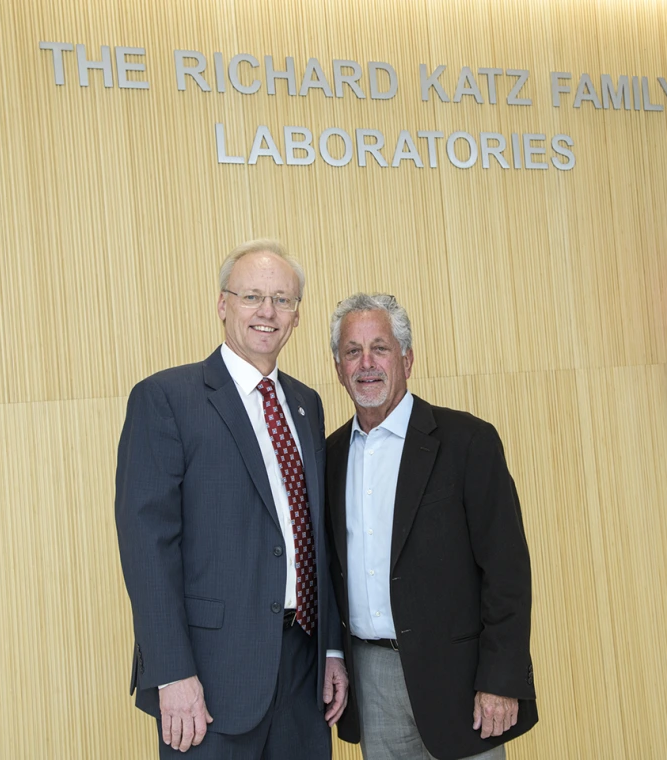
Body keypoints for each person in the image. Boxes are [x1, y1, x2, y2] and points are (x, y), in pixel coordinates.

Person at [115, 240, 348, 759]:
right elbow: (146, 548)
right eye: (252, 296)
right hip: (210, 679)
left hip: (302, 673)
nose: (267, 312)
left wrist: (332, 647)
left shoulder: (307, 405)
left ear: (295, 317)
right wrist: (172, 672)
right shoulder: (167, 399)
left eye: (282, 300)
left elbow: (318, 536)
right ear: (224, 305)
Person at [325, 292, 537, 760]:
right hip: (372, 676)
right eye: (352, 351)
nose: (366, 363)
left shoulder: (468, 442)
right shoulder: (328, 457)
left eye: (379, 347)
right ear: (338, 368)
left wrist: (500, 680)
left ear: (407, 358)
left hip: (461, 680)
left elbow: (507, 574)